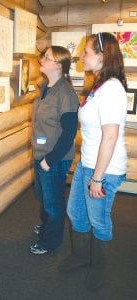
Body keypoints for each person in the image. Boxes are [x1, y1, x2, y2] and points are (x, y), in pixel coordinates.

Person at [60, 33, 127, 289]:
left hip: (104, 170)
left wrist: (97, 177)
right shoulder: (99, 85)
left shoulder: (111, 89)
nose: (81, 56)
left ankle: (98, 265)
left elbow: (110, 136)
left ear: (101, 56)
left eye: (85, 52)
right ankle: (80, 257)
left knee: (99, 220)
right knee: (75, 213)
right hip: (88, 163)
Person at [30, 46, 79, 255]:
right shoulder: (46, 87)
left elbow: (69, 133)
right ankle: (48, 225)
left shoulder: (65, 93)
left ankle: (50, 241)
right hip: (41, 154)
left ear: (58, 65)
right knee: (43, 196)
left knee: (53, 202)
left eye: (47, 57)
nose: (42, 59)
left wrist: (49, 160)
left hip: (53, 158)